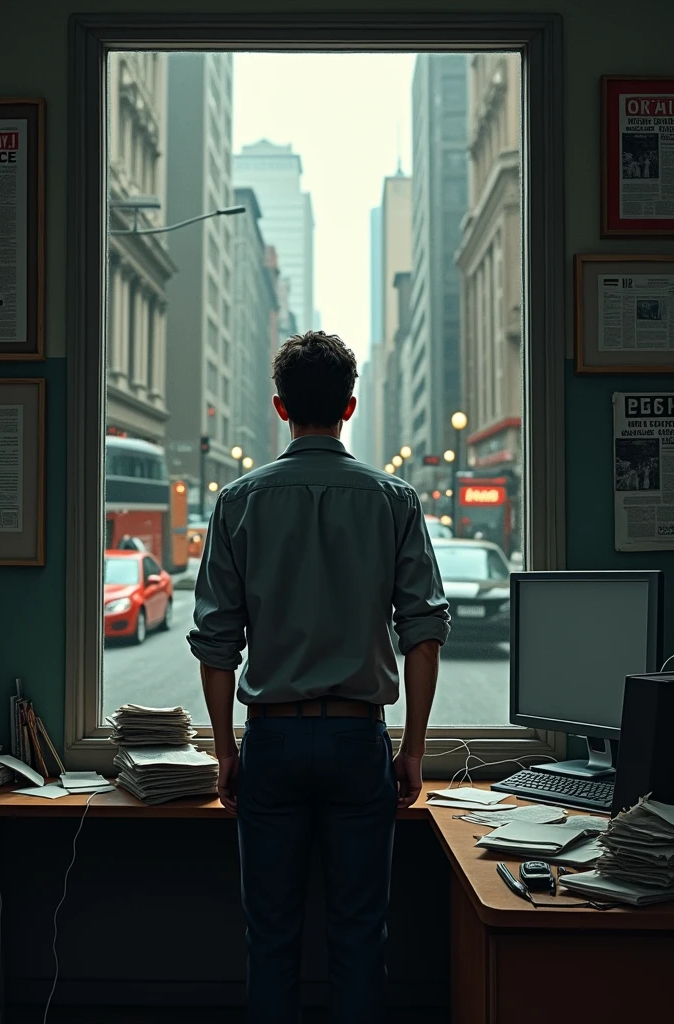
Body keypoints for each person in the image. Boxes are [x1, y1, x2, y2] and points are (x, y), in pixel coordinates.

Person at [188, 330, 450, 1024]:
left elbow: (217, 645)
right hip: (358, 743)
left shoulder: (238, 501)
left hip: (272, 743)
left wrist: (226, 751)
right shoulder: (394, 499)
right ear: (351, 406)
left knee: (269, 941)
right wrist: (413, 750)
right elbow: (423, 634)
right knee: (360, 938)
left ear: (279, 408)